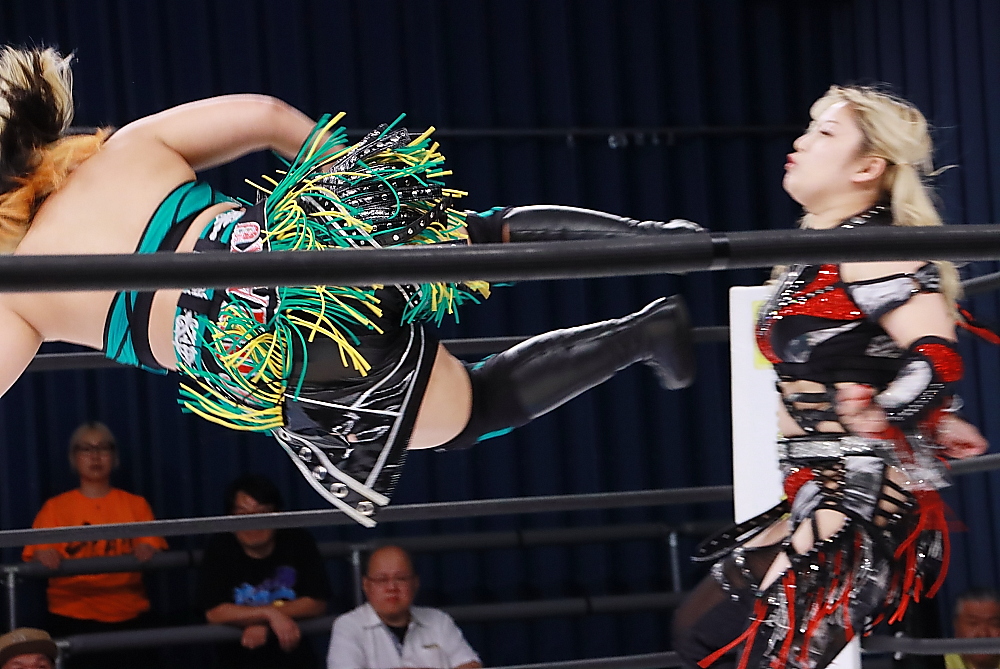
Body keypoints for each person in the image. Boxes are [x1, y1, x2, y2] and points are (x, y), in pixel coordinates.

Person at [0, 45, 700, 527]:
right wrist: (355, 191)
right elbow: (266, 113)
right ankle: (657, 238)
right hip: (304, 249)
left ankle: (645, 334)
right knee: (482, 235)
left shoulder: (20, 291)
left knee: (472, 409)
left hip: (286, 353)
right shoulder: (126, 149)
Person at [671, 85, 989, 669]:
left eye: (825, 133)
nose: (801, 141)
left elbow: (936, 359)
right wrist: (931, 420)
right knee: (700, 633)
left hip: (858, 496)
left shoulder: (875, 246)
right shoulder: (821, 251)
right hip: (815, 487)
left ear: (868, 168)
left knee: (764, 656)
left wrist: (886, 412)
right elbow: (871, 356)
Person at [21, 422, 167, 668]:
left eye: (103, 448)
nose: (95, 456)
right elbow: (35, 553)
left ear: (114, 456)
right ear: (74, 457)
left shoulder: (135, 505)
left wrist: (148, 550)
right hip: (71, 616)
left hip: (128, 616)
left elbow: (154, 547)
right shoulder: (55, 508)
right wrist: (42, 556)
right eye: (86, 449)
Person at [198, 474, 332, 669]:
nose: (253, 524)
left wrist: (263, 620)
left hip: (295, 660)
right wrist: (268, 615)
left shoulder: (298, 540)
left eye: (262, 513)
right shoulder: (220, 547)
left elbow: (316, 602)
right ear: (229, 519)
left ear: (278, 514)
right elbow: (215, 612)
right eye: (243, 515)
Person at [327, 545, 481, 669]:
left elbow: (471, 665)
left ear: (415, 583)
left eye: (401, 578)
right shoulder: (348, 626)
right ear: (366, 585)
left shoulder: (438, 620)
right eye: (381, 580)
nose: (392, 587)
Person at [945, 589, 1000, 669]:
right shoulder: (938, 663)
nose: (983, 634)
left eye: (994, 624)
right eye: (973, 623)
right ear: (956, 627)